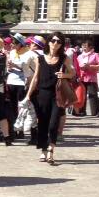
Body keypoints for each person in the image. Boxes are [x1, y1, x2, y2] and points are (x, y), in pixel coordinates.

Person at [27, 33, 75, 165]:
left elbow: (72, 73)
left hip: (57, 95)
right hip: (41, 95)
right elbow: (35, 78)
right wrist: (28, 95)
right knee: (42, 123)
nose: (55, 43)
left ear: (61, 44)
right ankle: (43, 150)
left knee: (53, 124)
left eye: (59, 41)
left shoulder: (64, 58)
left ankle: (50, 150)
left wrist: (64, 75)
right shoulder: (40, 58)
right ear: (48, 42)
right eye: (53, 41)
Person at [6, 33, 36, 136]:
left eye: (14, 43)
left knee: (22, 107)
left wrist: (15, 65)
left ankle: (21, 129)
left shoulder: (28, 53)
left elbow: (28, 69)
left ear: (20, 44)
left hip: (22, 83)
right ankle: (14, 128)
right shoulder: (12, 52)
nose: (11, 45)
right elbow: (9, 67)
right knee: (12, 106)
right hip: (11, 81)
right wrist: (9, 68)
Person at [77, 39, 99, 118]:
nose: (84, 47)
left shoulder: (95, 55)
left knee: (93, 95)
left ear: (90, 47)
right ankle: (81, 111)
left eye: (86, 46)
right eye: (83, 46)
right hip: (82, 77)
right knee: (82, 95)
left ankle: (97, 112)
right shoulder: (79, 56)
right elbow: (77, 67)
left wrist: (90, 66)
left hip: (91, 78)